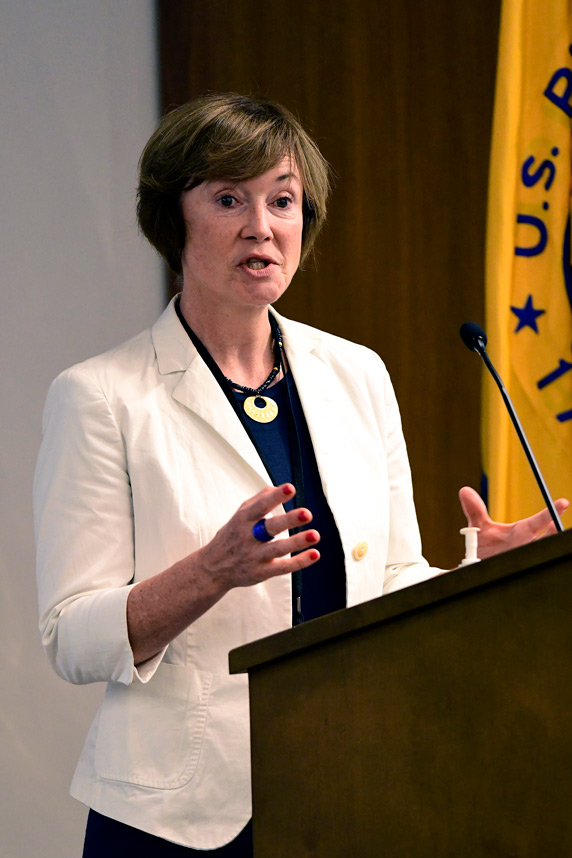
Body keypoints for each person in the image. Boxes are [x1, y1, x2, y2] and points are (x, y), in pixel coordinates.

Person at [34, 93, 568, 856]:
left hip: (345, 786)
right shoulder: (102, 397)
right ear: (171, 217)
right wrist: (211, 572)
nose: (262, 225)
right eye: (229, 199)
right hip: (176, 818)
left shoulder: (356, 373)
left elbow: (387, 582)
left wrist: (480, 574)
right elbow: (71, 639)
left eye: (283, 200)